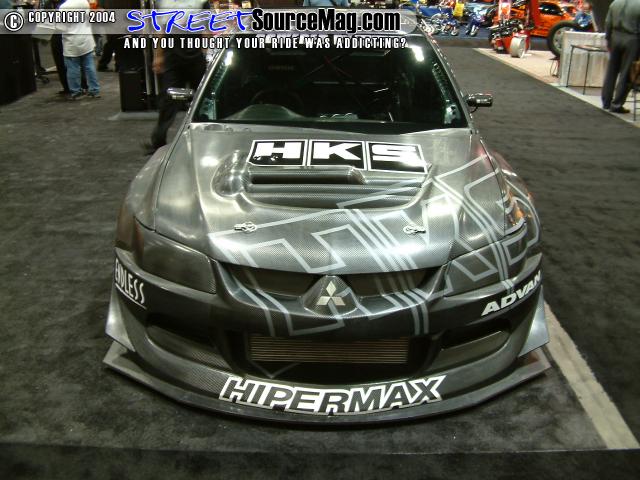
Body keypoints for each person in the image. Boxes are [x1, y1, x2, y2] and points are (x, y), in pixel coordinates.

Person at [144, 0, 210, 154]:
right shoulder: (164, 2)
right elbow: (161, 30)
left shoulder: (201, 2)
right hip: (172, 56)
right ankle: (158, 141)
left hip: (195, 56)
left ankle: (207, 138)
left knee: (202, 98)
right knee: (168, 98)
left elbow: (206, 28)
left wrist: (204, 53)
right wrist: (158, 56)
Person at [601, 0, 640, 114]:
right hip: (632, 39)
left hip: (615, 37)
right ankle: (617, 104)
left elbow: (608, 22)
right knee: (626, 72)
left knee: (611, 71)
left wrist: (608, 39)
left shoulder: (615, 2)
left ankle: (606, 101)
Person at [58, 0, 100, 99]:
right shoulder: (84, 2)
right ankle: (94, 90)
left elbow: (61, 27)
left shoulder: (64, 7)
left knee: (73, 68)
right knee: (89, 66)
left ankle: (76, 92)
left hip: (72, 41)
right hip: (86, 39)